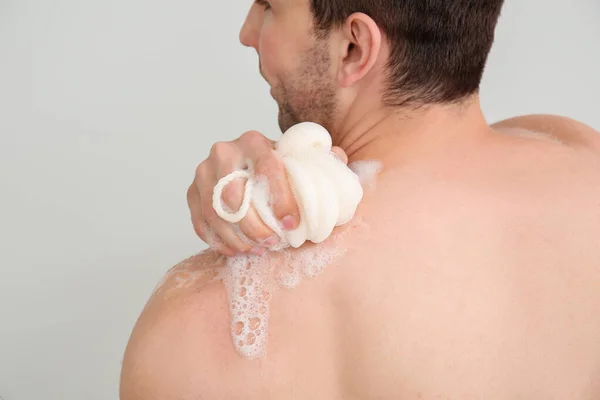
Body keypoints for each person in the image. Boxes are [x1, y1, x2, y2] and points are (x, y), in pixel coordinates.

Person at [120, 0, 600, 398]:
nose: (247, 32)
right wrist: (297, 167)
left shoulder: (199, 325)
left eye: (269, 6)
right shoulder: (581, 162)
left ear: (354, 47)